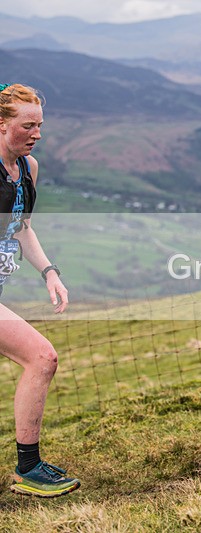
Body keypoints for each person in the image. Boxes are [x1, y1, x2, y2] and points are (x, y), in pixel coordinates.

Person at [0, 83, 80, 496]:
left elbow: (23, 227)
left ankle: (27, 469)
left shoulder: (28, 169)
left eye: (40, 126)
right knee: (42, 356)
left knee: (41, 358)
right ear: (0, 125)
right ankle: (28, 469)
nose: (36, 134)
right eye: (27, 125)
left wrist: (49, 271)